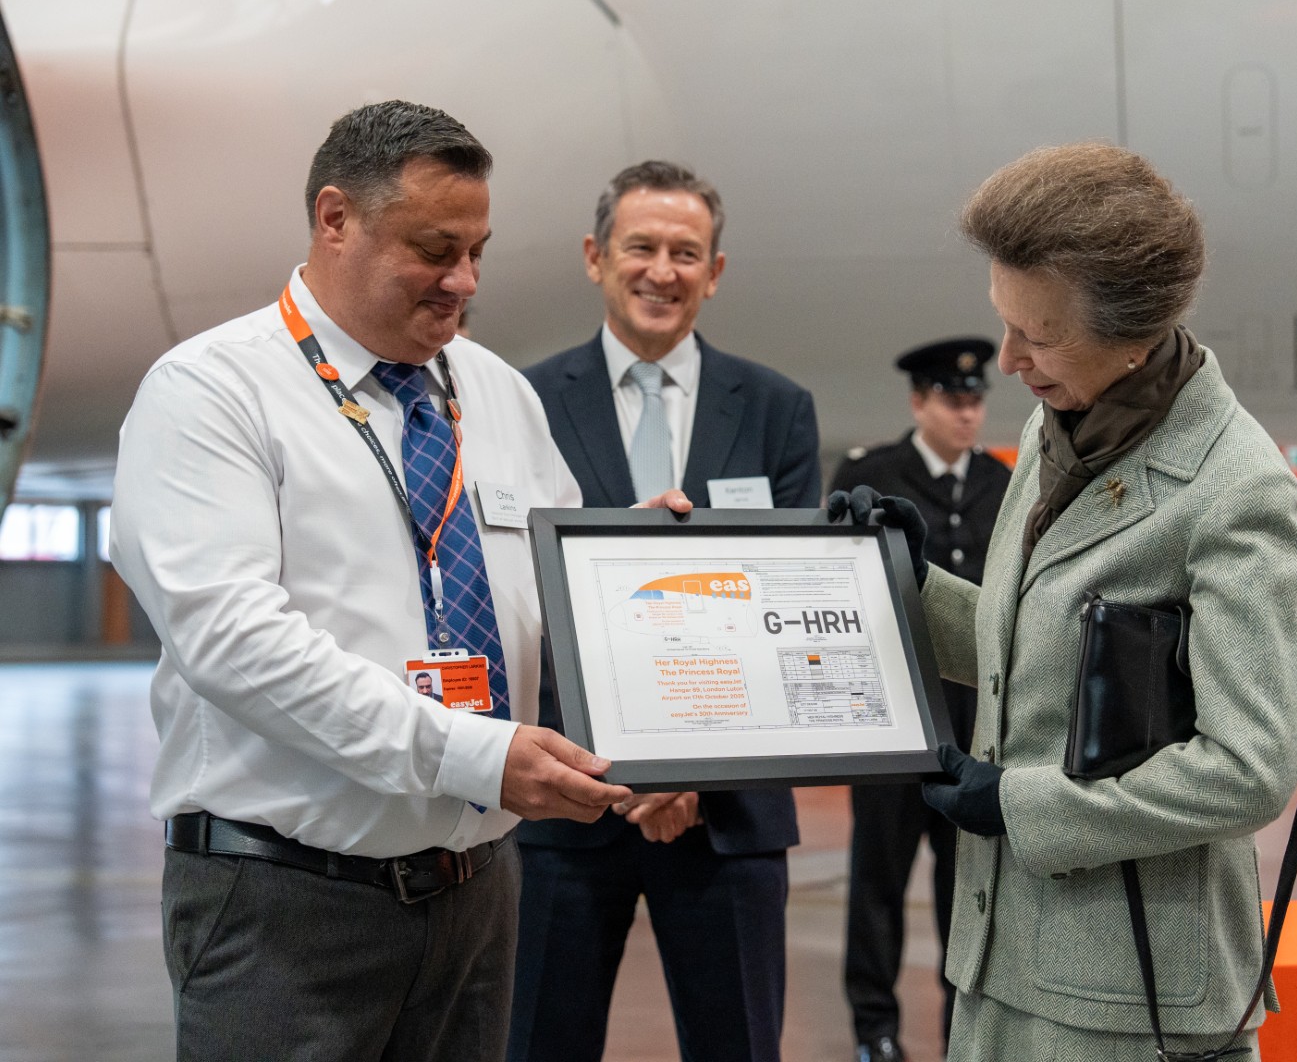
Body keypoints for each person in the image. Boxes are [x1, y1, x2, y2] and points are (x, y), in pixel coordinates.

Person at [108, 100, 688, 1062]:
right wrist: (472, 755)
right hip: (287, 906)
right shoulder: (211, 392)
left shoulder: (496, 392)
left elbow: (546, 592)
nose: (465, 281)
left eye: (478, 251)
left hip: (478, 895)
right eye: (434, 249)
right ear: (336, 219)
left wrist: (631, 575)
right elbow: (235, 641)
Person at [830, 143, 1297, 1059]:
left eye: (1039, 336)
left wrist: (1024, 805)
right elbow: (1031, 653)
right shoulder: (1057, 425)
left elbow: (1250, 769)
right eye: (1004, 322)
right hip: (1001, 960)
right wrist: (906, 580)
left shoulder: (1236, 490)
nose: (1009, 359)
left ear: (1136, 337)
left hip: (1132, 995)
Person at [509, 160, 820, 1062]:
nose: (662, 270)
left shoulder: (776, 410)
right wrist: (617, 766)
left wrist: (687, 772)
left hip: (726, 816)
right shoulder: (523, 403)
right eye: (640, 247)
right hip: (563, 802)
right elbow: (518, 592)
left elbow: (783, 605)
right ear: (595, 257)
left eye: (686, 253)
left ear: (713, 272)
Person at [831, 337, 1011, 1062]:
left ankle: (957, 1028)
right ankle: (874, 1030)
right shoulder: (871, 475)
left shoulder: (1001, 483)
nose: (967, 414)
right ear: (919, 402)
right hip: (892, 710)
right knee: (878, 876)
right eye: (951, 400)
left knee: (963, 881)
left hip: (971, 717)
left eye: (975, 401)